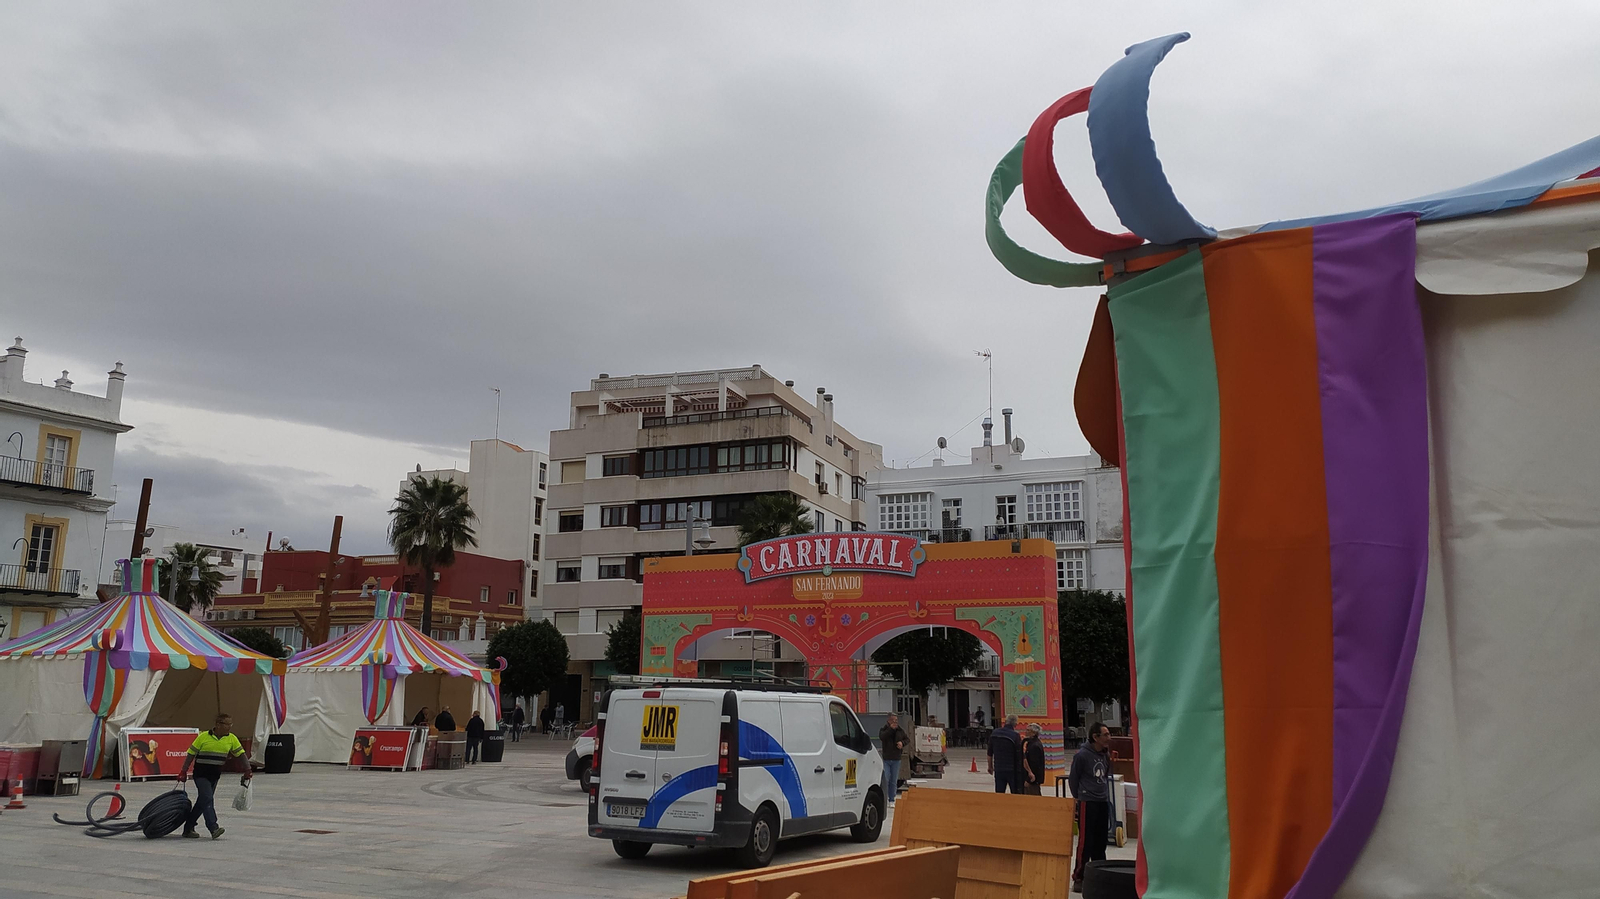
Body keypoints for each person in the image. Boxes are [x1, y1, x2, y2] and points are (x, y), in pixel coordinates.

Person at [176, 712, 250, 840]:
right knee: (207, 798)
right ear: (218, 724)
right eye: (227, 724)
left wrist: (248, 770)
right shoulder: (203, 736)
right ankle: (213, 827)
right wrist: (183, 771)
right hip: (201, 775)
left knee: (203, 801)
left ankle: (188, 827)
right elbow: (190, 754)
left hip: (214, 776)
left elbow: (241, 755)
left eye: (231, 724)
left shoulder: (231, 738)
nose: (230, 727)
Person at [1070, 721, 1114, 892]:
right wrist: (1080, 797)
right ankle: (1079, 876)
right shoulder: (1081, 755)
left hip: (1102, 800)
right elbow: (1074, 780)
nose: (1109, 738)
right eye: (1106, 734)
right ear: (1095, 737)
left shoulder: (1105, 754)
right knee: (1085, 842)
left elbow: (1106, 774)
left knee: (1100, 841)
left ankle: (1099, 874)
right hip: (1088, 802)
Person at [878, 713, 910, 805]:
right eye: (893, 721)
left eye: (896, 721)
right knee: (886, 778)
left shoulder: (900, 730)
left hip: (896, 758)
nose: (895, 723)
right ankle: (884, 798)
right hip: (887, 758)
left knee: (894, 780)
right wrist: (891, 729)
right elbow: (882, 737)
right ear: (889, 721)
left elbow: (907, 739)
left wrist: (902, 743)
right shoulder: (884, 730)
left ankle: (892, 799)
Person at [987, 714, 1023, 793]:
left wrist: (990, 767)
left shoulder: (994, 733)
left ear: (1005, 722)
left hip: (999, 768)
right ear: (1015, 724)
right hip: (1012, 770)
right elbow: (1019, 755)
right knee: (1015, 793)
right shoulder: (1015, 736)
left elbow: (989, 753)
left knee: (999, 793)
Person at [1022, 723, 1046, 795]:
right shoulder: (1031, 743)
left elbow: (1034, 764)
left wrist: (1029, 780)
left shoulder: (1034, 746)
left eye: (1028, 730)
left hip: (1033, 779)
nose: (1026, 732)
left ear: (1034, 733)